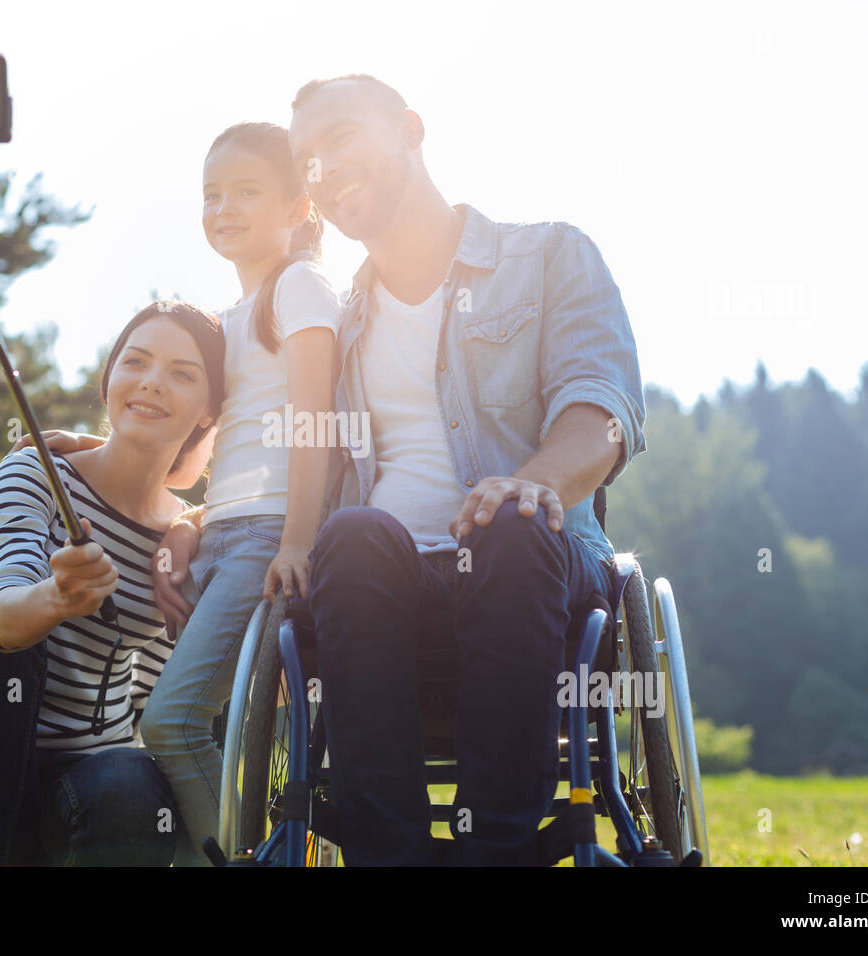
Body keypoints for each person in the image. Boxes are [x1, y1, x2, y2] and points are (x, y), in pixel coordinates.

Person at [277, 74, 649, 865]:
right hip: (376, 585)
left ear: (411, 127)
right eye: (305, 159)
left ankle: (497, 855)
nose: (322, 168)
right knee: (350, 534)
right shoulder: (339, 322)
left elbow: (603, 409)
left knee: (510, 523)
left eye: (338, 137)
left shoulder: (549, 256)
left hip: (532, 567)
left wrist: (534, 482)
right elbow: (292, 453)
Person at [31, 122, 343, 866]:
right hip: (226, 537)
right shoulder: (226, 320)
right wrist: (95, 450)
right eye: (211, 194)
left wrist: (298, 540)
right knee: (198, 728)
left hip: (269, 539)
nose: (223, 207)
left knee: (170, 723)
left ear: (299, 205)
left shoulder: (300, 288)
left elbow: (314, 423)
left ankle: (234, 860)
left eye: (246, 191)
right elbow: (189, 462)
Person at [0, 301, 226, 866]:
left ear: (208, 411)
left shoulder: (191, 542)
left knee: (132, 779)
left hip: (88, 797)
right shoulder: (34, 472)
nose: (151, 382)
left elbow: (165, 701)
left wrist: (194, 521)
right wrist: (56, 599)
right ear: (108, 380)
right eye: (135, 361)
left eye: (182, 373)